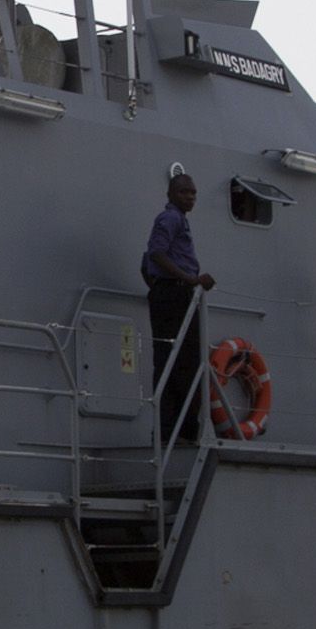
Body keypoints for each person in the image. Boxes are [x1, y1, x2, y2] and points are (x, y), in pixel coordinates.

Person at [141, 173, 214, 443]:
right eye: (185, 192)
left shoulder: (177, 220)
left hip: (172, 292)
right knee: (179, 362)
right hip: (174, 295)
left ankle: (174, 430)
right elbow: (156, 253)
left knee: (177, 361)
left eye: (193, 193)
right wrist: (190, 279)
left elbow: (149, 262)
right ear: (171, 194)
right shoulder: (170, 219)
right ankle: (177, 431)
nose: (191, 197)